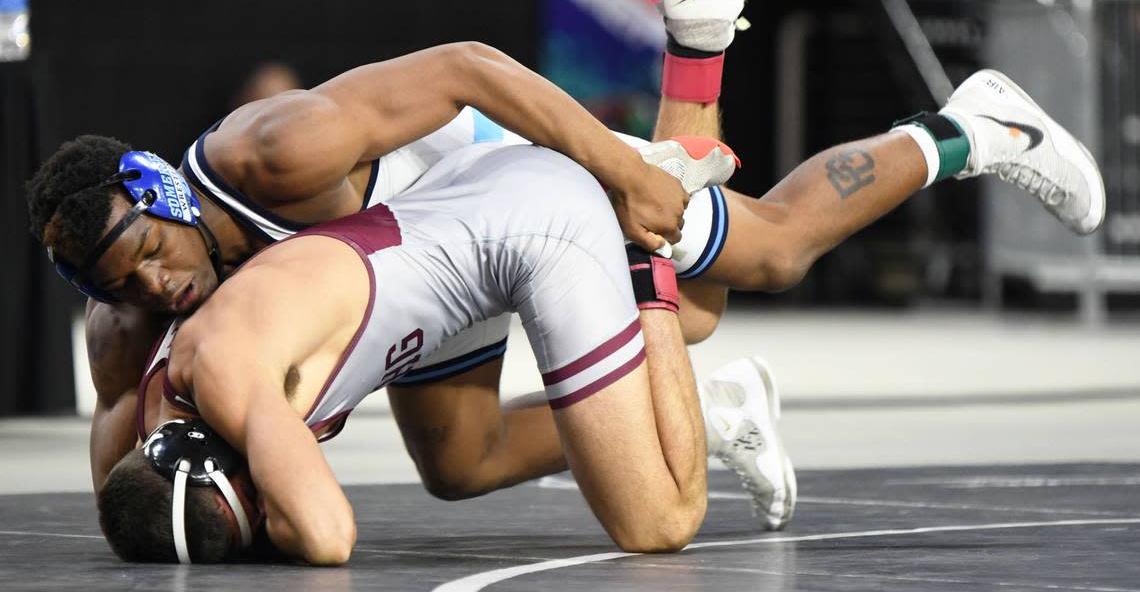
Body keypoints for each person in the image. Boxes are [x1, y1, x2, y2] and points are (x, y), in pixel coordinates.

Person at [28, 0, 1104, 530]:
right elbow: (130, 490)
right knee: (459, 463)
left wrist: (619, 173)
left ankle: (966, 124)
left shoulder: (274, 151)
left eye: (151, 256)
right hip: (425, 271)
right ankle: (700, 36)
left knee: (750, 268)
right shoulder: (127, 332)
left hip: (495, 180)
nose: (156, 287)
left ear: (166, 194)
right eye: (123, 287)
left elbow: (467, 67)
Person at [99, 139, 726, 564]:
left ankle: (645, 264)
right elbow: (130, 505)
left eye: (253, 504)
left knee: (658, 525)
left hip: (538, 227)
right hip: (460, 203)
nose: (267, 507)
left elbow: (328, 535)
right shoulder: (153, 423)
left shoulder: (225, 374)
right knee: (458, 465)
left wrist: (268, 534)